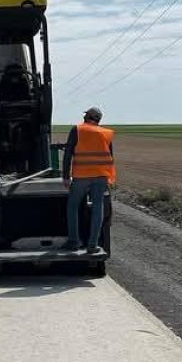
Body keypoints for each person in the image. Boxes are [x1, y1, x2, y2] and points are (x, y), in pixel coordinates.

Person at [61, 107, 115, 254]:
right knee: (98, 208)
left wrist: (65, 176)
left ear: (88, 117)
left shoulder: (77, 130)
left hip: (81, 176)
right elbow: (110, 158)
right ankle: (92, 245)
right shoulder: (107, 133)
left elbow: (68, 154)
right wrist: (109, 178)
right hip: (101, 177)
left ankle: (74, 242)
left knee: (72, 207)